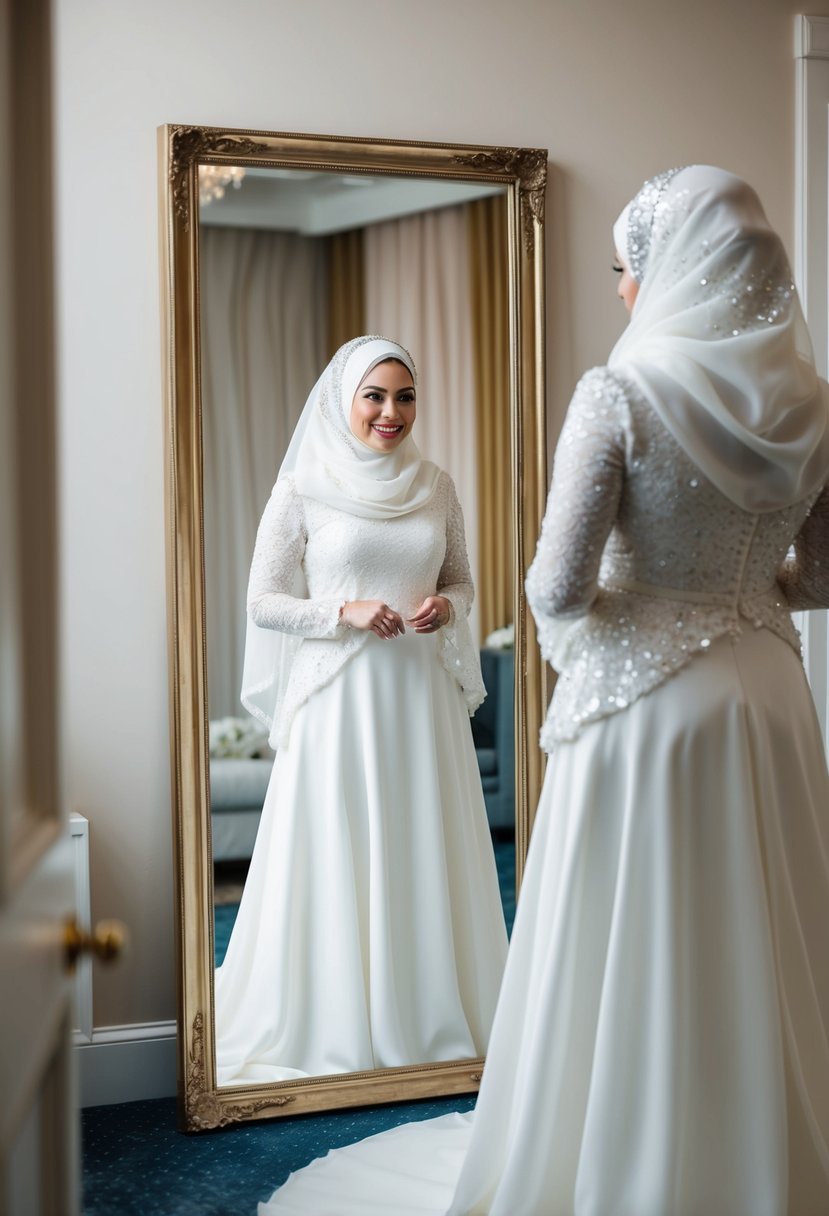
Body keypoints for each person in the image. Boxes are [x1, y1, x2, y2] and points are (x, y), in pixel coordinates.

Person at [261, 168, 829, 1214]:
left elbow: (554, 585)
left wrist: (640, 612)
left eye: (625, 269)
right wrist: (743, 593)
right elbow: (828, 575)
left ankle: (625, 1147)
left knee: (640, 926)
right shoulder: (809, 400)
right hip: (770, 690)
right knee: (762, 917)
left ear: (665, 270)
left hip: (650, 705)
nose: (620, 292)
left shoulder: (618, 391)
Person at [214, 336, 508, 1086]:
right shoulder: (302, 490)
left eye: (404, 396)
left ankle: (427, 1013)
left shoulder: (437, 486)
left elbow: (464, 582)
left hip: (418, 703)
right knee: (339, 847)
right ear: (343, 401)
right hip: (337, 704)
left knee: (418, 843)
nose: (390, 412)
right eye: (374, 396)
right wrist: (342, 609)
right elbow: (262, 602)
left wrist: (448, 605)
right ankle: (337, 1022)